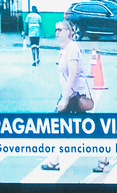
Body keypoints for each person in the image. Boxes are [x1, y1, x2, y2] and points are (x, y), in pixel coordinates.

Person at [41, 22, 108, 172]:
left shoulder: (72, 49)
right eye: (56, 29)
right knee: (82, 128)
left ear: (68, 32)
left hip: (74, 97)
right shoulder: (65, 49)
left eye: (60, 29)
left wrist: (64, 99)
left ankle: (54, 161)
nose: (57, 32)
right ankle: (102, 157)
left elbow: (73, 74)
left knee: (64, 128)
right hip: (70, 94)